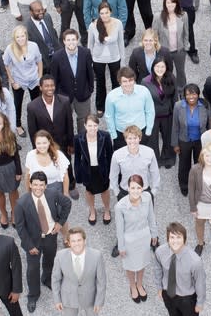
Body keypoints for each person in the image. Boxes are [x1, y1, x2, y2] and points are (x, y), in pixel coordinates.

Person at [14, 171, 71, 313]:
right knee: (32, 269)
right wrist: (29, 246)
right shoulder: (22, 203)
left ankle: (46, 279)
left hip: (51, 235)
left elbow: (67, 203)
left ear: (45, 185)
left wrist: (60, 223)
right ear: (30, 185)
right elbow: (20, 228)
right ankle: (33, 295)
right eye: (35, 185)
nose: (38, 188)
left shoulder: (52, 194)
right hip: (33, 241)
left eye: (41, 185)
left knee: (50, 260)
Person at [109, 126, 160, 258]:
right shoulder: (117, 155)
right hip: (125, 192)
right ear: (125, 139)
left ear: (140, 138)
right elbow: (113, 176)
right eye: (129, 138)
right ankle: (120, 242)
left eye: (135, 138)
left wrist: (153, 191)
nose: (132, 141)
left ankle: (153, 239)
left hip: (144, 191)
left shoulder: (149, 152)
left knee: (149, 216)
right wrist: (116, 193)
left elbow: (155, 173)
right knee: (124, 219)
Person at [27, 75, 76, 198]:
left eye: (52, 85)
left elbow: (69, 123)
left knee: (67, 164)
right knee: (47, 165)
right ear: (41, 87)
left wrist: (71, 143)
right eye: (47, 86)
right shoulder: (32, 106)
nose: (50, 88)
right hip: (44, 145)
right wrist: (37, 149)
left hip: (63, 142)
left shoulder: (64, 101)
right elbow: (32, 131)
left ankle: (71, 185)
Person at [116, 174, 157, 303]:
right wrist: (121, 246)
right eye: (132, 188)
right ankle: (132, 286)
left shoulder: (147, 197)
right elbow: (119, 229)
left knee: (142, 263)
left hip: (144, 237)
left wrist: (154, 233)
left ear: (143, 188)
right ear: (127, 188)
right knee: (130, 265)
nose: (135, 191)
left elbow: (151, 217)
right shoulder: (120, 206)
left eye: (138, 188)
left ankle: (139, 284)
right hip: (129, 240)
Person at [154, 222, 206, 315]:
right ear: (167, 239)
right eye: (172, 237)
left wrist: (200, 303)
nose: (175, 241)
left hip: (187, 299)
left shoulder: (195, 261)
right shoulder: (160, 252)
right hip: (168, 294)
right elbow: (158, 269)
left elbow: (200, 283)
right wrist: (159, 288)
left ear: (184, 240)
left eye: (179, 237)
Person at [52, 227, 107, 315]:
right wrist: (57, 299)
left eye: (79, 240)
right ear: (69, 243)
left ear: (84, 241)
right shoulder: (60, 256)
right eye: (73, 241)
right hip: (68, 298)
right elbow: (55, 279)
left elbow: (101, 281)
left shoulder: (97, 256)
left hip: (90, 298)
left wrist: (99, 301)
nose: (76, 244)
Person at [50, 29, 95, 134]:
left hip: (83, 94)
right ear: (64, 41)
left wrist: (90, 88)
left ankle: (82, 140)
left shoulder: (85, 53)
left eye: (73, 39)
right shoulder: (56, 57)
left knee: (84, 120)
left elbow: (90, 72)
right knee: (65, 121)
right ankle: (69, 144)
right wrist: (57, 95)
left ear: (77, 40)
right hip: (64, 96)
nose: (71, 42)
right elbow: (54, 78)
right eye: (68, 40)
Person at [3, 25, 42, 138]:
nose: (20, 39)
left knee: (36, 103)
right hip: (18, 80)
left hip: (34, 79)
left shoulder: (34, 46)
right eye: (18, 37)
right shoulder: (10, 49)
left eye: (22, 36)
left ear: (26, 35)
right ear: (14, 38)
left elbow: (39, 61)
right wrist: (12, 81)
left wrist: (39, 78)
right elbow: (5, 64)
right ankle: (18, 125)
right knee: (17, 104)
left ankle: (37, 122)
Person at [73, 115, 113, 225]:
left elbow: (110, 155)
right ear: (85, 126)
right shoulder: (78, 138)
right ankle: (92, 210)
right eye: (90, 125)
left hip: (102, 169)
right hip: (87, 170)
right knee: (89, 191)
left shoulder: (105, 136)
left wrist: (112, 172)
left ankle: (106, 209)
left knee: (105, 190)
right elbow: (77, 157)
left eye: (95, 125)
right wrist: (78, 175)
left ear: (98, 125)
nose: (92, 128)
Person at [173, 83, 210, 195]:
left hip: (200, 141)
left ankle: (199, 185)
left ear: (198, 94)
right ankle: (184, 185)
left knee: (200, 165)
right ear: (184, 95)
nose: (191, 97)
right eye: (188, 94)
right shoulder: (178, 106)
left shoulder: (205, 105)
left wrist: (209, 144)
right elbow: (175, 126)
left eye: (194, 94)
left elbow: (209, 125)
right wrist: (175, 144)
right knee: (184, 165)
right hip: (184, 140)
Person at [105, 67, 155, 149]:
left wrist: (148, 132)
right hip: (121, 135)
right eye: (125, 81)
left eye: (131, 80)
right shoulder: (111, 96)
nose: (128, 84)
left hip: (141, 133)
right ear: (120, 82)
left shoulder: (144, 92)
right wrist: (114, 136)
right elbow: (109, 116)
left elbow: (150, 111)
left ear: (134, 80)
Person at [88, 2, 124, 117]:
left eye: (106, 13)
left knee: (115, 82)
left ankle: (116, 105)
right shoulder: (93, 25)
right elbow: (90, 45)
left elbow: (120, 42)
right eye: (102, 13)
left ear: (111, 12)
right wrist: (90, 62)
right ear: (99, 14)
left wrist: (122, 60)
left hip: (114, 57)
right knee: (100, 82)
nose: (104, 15)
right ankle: (100, 106)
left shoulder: (118, 23)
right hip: (98, 59)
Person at [142, 57, 177, 168]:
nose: (160, 69)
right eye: (157, 66)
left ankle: (168, 158)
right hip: (153, 115)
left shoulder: (171, 77)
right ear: (153, 67)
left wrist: (175, 111)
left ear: (166, 67)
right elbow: (144, 100)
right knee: (152, 139)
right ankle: (154, 160)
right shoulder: (145, 81)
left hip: (168, 114)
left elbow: (175, 96)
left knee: (168, 137)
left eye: (162, 66)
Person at [152, 0, 189, 93]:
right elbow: (154, 35)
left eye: (173, 3)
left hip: (179, 50)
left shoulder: (183, 15)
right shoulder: (158, 17)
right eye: (168, 3)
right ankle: (168, 90)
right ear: (164, 3)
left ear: (176, 3)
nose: (170, 5)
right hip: (164, 51)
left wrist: (186, 47)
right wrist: (157, 49)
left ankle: (182, 90)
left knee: (181, 72)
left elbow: (186, 32)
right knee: (166, 72)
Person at [24, 0, 62, 74]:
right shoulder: (28, 28)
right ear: (31, 12)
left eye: (42, 9)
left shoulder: (47, 16)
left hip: (57, 55)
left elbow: (53, 33)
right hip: (44, 62)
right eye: (37, 11)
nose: (41, 12)